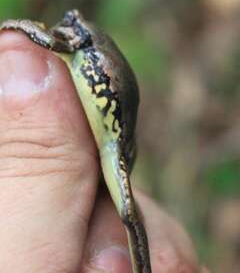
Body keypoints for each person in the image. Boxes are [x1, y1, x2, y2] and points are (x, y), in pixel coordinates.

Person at [0, 29, 210, 272]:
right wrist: (21, 29)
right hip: (102, 131)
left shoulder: (74, 51)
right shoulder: (74, 50)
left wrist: (18, 28)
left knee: (129, 215)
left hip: (115, 141)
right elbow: (47, 40)